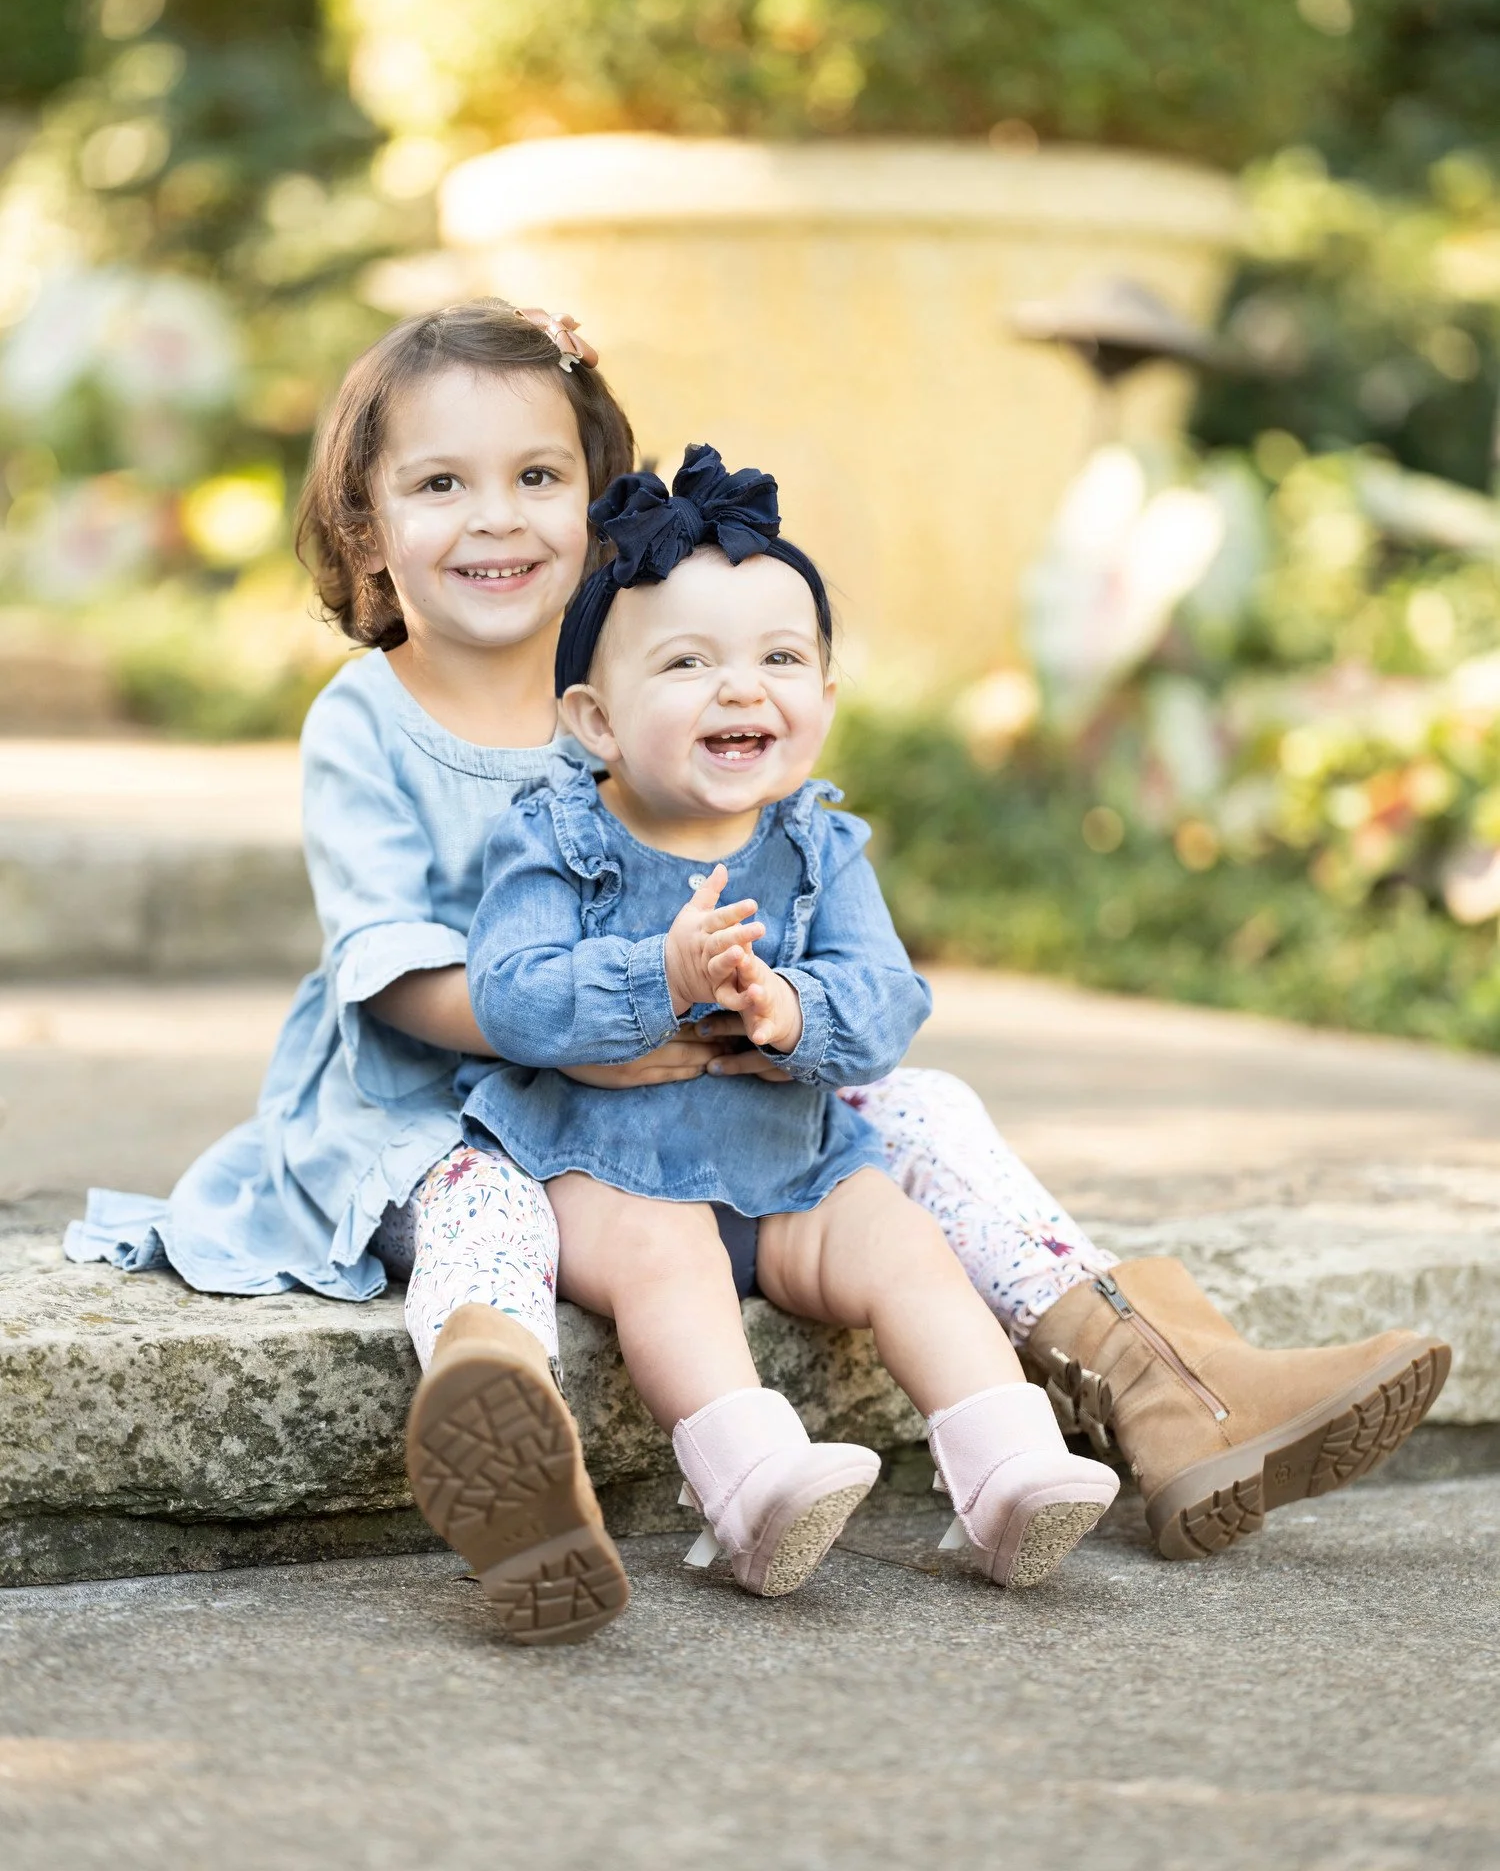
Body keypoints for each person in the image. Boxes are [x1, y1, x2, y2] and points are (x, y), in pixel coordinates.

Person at [63, 303, 1449, 1645]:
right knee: (484, 1200)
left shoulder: (645, 661)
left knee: (926, 1109)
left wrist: (776, 1015)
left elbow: (763, 851)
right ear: (365, 524)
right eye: (441, 483)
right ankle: (503, 1415)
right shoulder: (367, 720)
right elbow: (395, 974)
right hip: (440, 1088)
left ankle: (1165, 1382)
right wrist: (588, 1039)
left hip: (699, 1078)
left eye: (538, 474)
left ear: (598, 502)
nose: (496, 517)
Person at [454, 443, 1123, 1602]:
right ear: (596, 719)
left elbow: (889, 1001)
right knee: (671, 1261)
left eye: (781, 656)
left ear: (823, 693)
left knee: (905, 1239)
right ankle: (754, 1483)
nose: (742, 687)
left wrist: (796, 1008)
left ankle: (1009, 1463)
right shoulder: (557, 834)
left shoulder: (817, 842)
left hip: (788, 1162)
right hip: (610, 1167)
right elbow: (509, 991)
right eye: (689, 662)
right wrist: (654, 975)